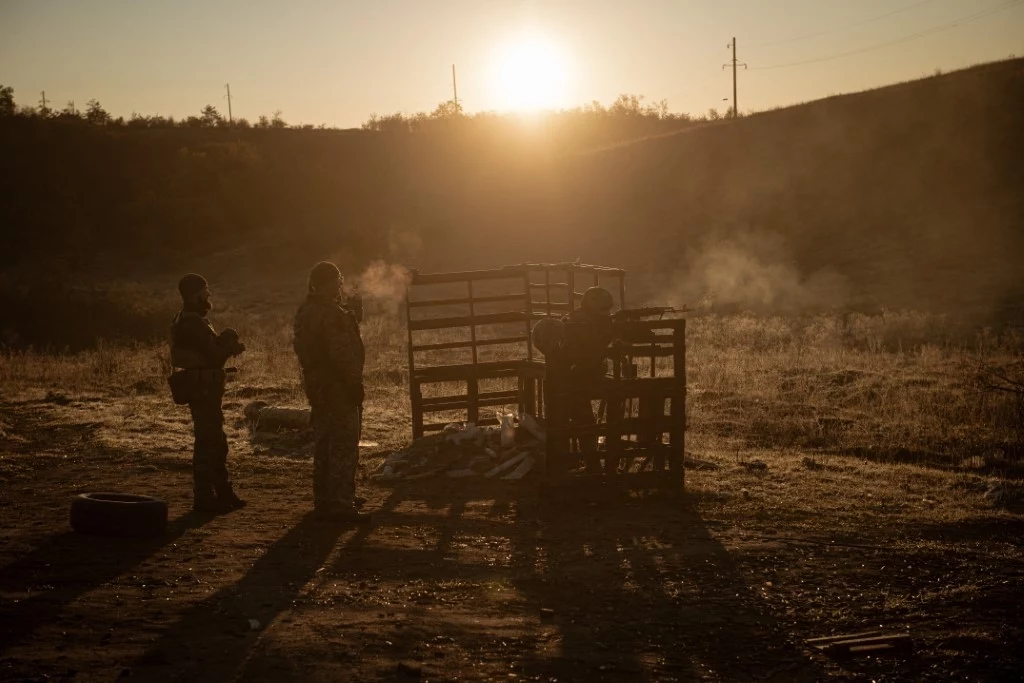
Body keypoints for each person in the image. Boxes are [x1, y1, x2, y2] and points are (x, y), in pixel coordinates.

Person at [292, 261, 370, 522]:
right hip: (337, 384)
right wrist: (352, 382)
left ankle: (326, 498)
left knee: (324, 441)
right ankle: (340, 503)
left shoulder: (306, 310)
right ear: (328, 282)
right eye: (338, 280)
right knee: (344, 442)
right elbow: (340, 351)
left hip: (317, 384)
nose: (341, 285)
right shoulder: (331, 314)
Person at [169, 273, 247, 512]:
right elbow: (214, 355)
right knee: (208, 442)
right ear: (195, 295)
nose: (209, 294)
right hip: (202, 388)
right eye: (205, 290)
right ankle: (204, 497)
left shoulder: (189, 319)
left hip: (204, 387)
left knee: (217, 441)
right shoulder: (193, 322)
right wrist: (227, 341)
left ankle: (222, 493)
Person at [534, 286, 617, 473]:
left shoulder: (584, 321)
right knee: (579, 417)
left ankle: (578, 462)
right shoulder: (579, 325)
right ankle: (584, 463)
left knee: (577, 416)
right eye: (603, 310)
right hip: (572, 378)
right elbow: (582, 353)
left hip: (571, 378)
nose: (607, 314)